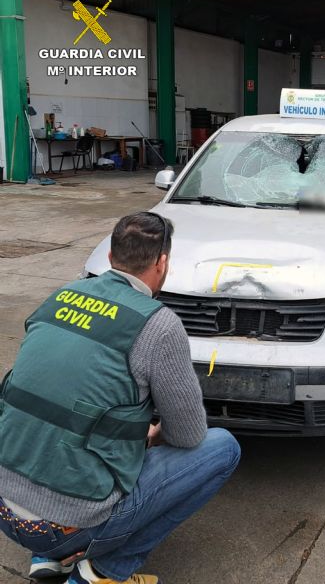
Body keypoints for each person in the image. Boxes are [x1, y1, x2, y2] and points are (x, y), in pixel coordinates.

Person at [0, 211, 241, 584]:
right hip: (66, 526)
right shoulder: (158, 324)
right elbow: (189, 435)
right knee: (221, 447)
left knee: (56, 423)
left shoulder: (60, 296)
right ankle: (102, 572)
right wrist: (154, 435)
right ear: (162, 263)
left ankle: (48, 561)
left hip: (6, 510)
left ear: (111, 258)